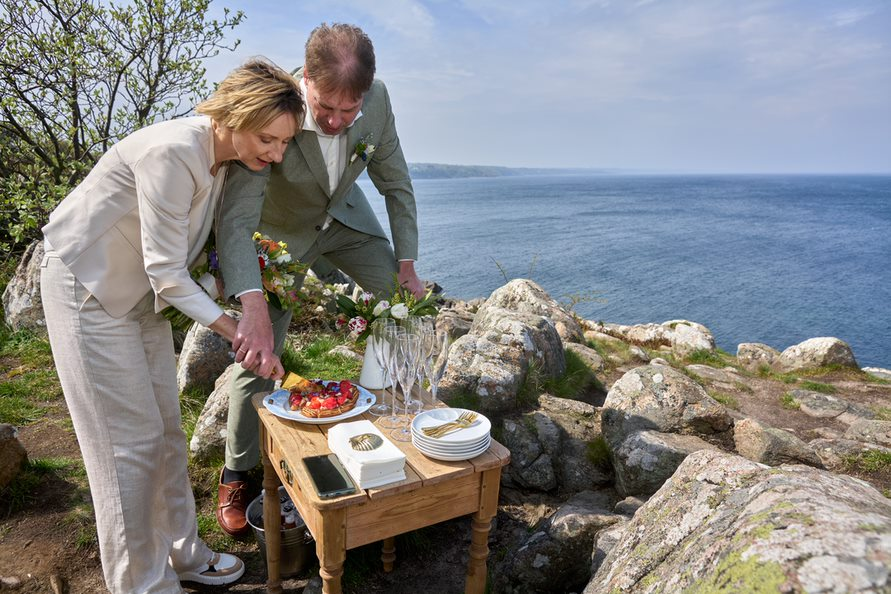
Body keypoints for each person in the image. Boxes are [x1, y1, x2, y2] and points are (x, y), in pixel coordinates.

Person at [39, 59, 304, 593]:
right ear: (235, 113)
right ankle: (141, 584)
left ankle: (184, 555)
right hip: (86, 290)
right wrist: (241, 332)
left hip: (135, 299)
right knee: (126, 449)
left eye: (284, 143)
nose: (276, 154)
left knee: (165, 432)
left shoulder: (224, 159)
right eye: (268, 139)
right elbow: (166, 270)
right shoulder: (173, 150)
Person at [213, 22, 426, 536]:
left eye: (347, 112)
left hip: (346, 221)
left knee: (403, 310)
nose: (334, 121)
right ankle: (237, 472)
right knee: (260, 349)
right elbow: (237, 219)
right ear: (305, 77)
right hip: (280, 234)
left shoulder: (378, 102)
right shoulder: (272, 107)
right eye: (324, 107)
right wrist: (254, 305)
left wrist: (407, 265)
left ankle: (394, 423)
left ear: (367, 95)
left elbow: (396, 184)